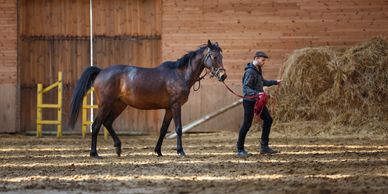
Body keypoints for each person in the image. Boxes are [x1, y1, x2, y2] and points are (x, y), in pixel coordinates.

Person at [236, 51, 281, 157]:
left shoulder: (257, 70)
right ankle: (240, 149)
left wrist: (275, 82)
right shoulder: (250, 72)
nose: (264, 62)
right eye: (262, 60)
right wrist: (257, 93)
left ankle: (264, 147)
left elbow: (262, 82)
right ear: (256, 58)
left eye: (264, 60)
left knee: (268, 120)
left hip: (257, 100)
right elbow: (246, 88)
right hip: (249, 101)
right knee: (247, 125)